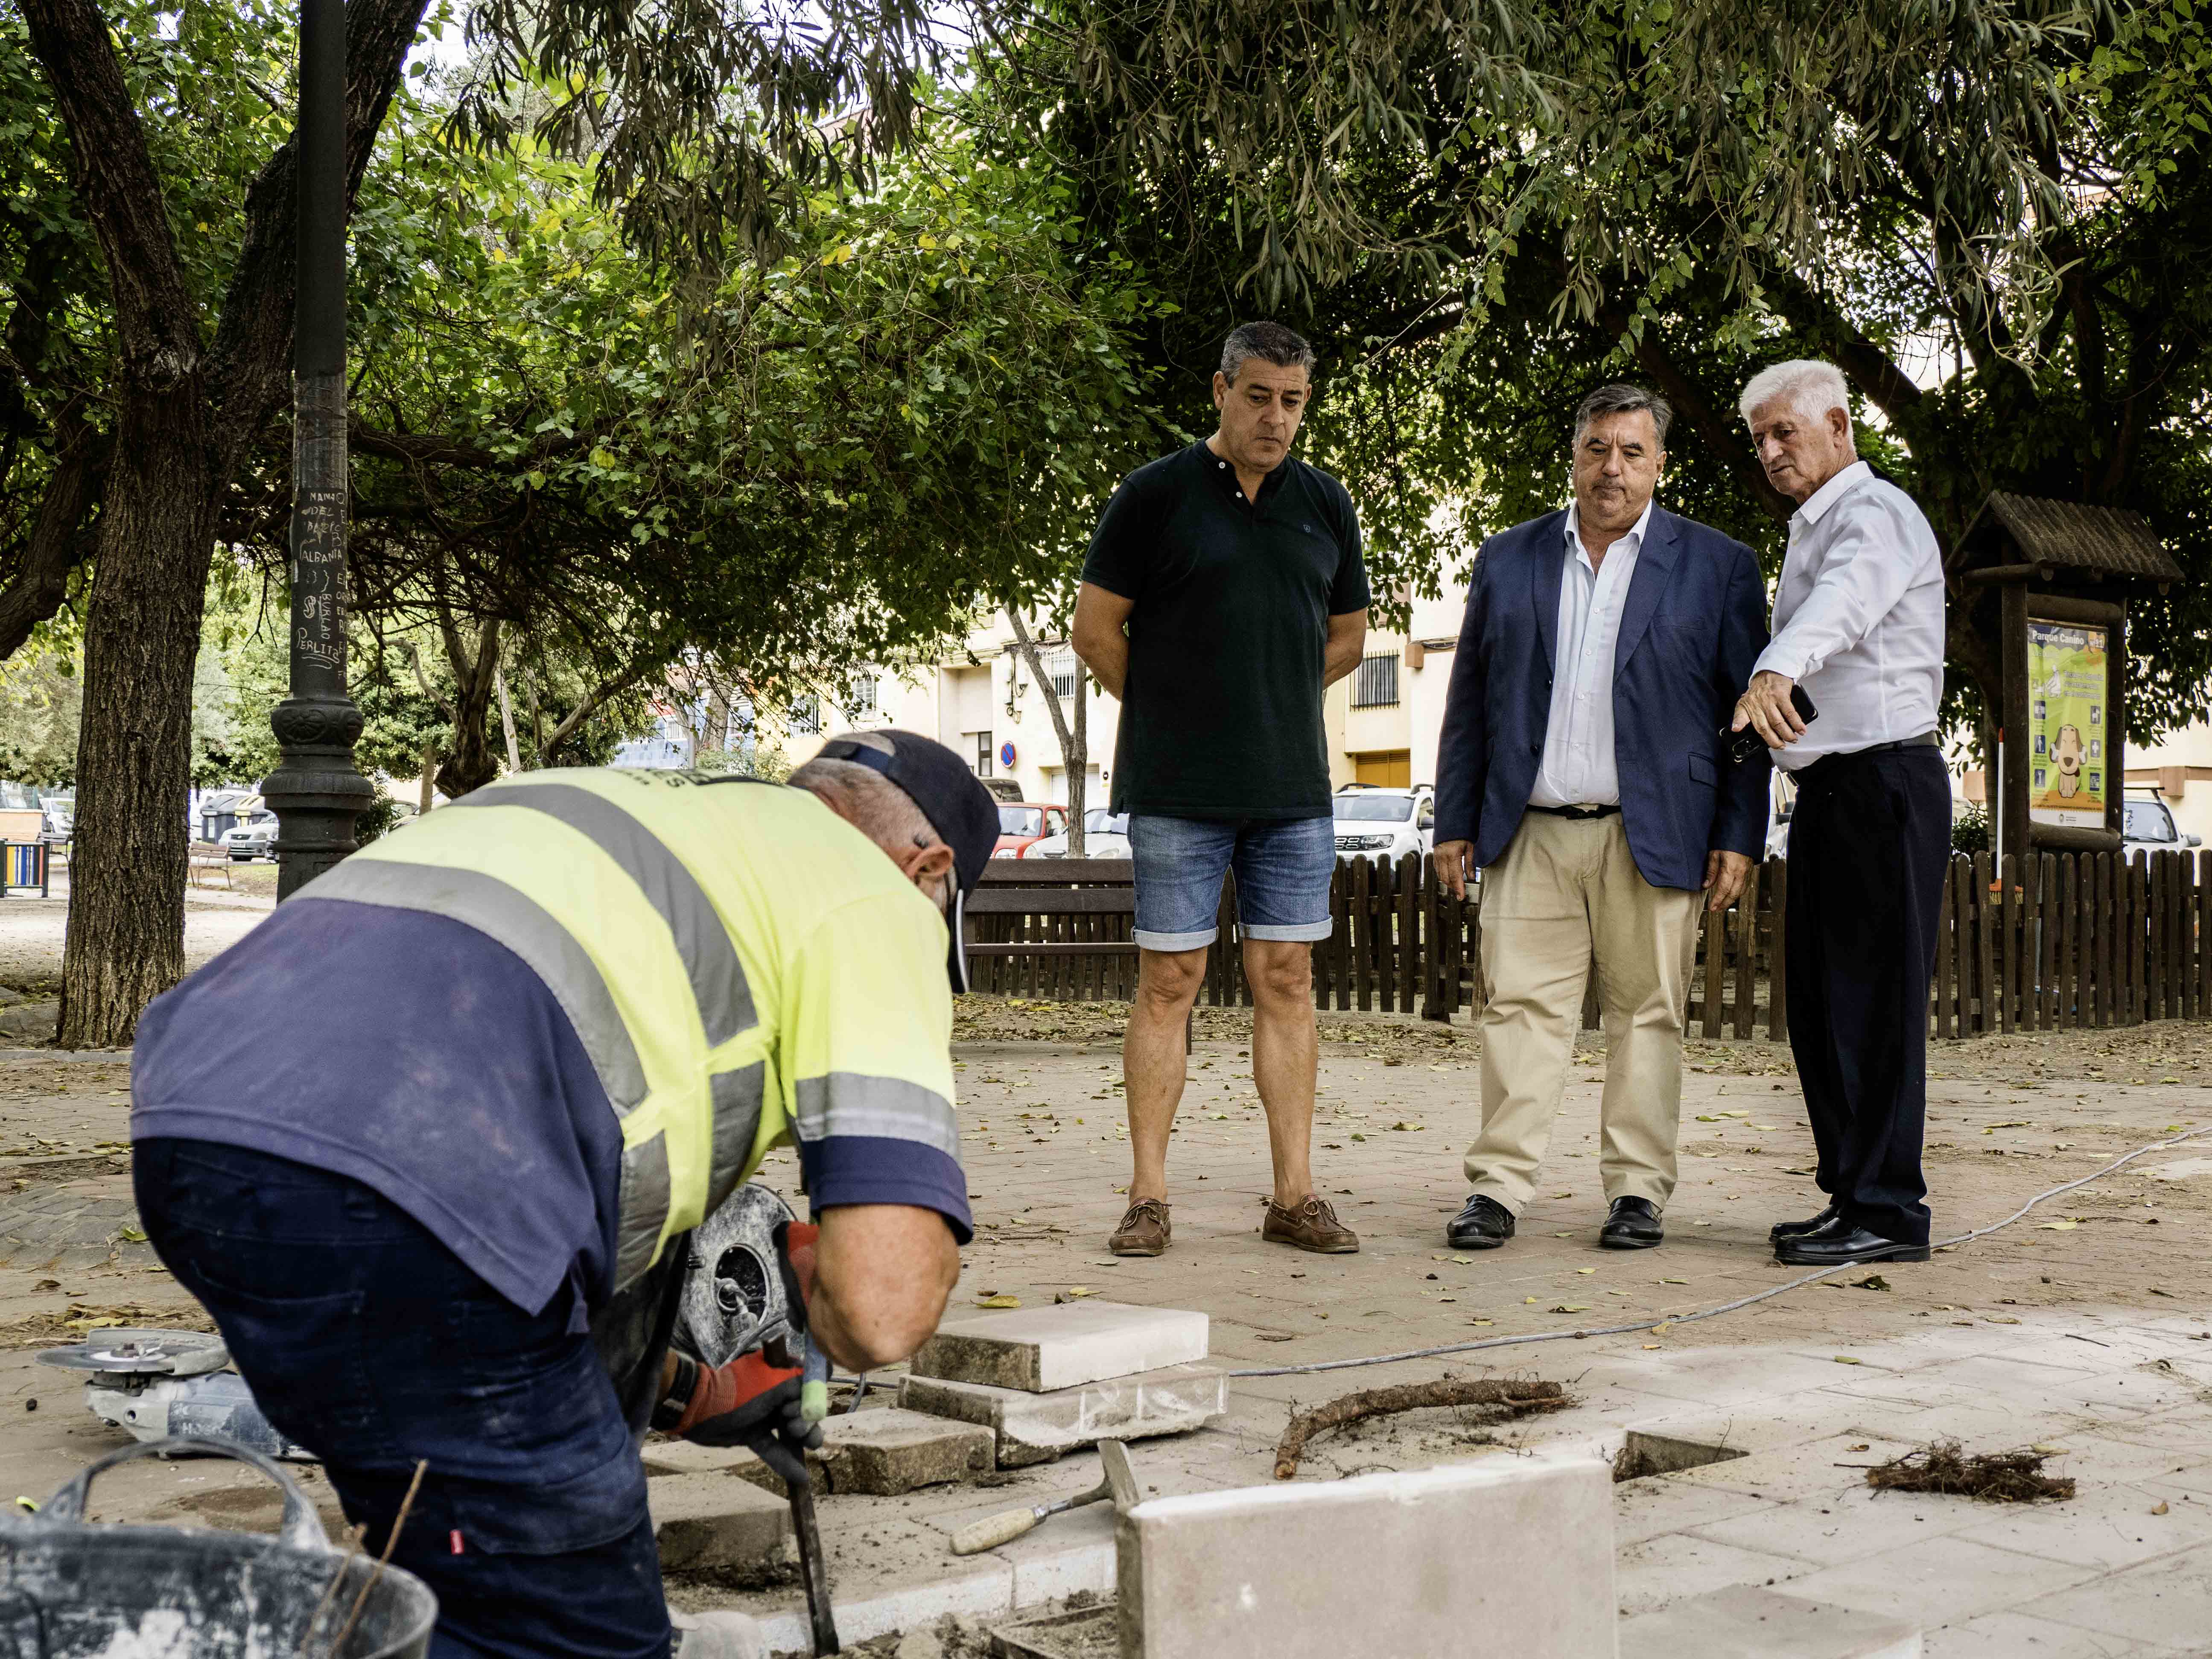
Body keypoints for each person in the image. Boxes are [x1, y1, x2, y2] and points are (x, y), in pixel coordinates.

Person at [130, 732, 997, 1659]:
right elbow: (882, 1305)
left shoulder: (626, 819)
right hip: (418, 1184)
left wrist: (683, 1387)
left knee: (448, 1552)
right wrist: (828, 1298)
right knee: (575, 1628)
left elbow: (557, 1208)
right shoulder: (873, 894)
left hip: (194, 1129)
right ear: (929, 866)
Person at [1431, 384, 1771, 1253]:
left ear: (1658, 462)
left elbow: (1745, 713)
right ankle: (1497, 1188)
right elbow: (1469, 696)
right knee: (1516, 1010)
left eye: (1629, 451)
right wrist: (1453, 821)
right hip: (1528, 827)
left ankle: (1635, 1193)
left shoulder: (1718, 565)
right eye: (1595, 448)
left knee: (1647, 1015)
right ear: (1573, 456)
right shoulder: (1508, 557)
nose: (1610, 466)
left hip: (1653, 830)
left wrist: (1738, 832)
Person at [1071, 321, 1369, 1258]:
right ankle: (1148, 1197)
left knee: (1286, 978)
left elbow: (1349, 636)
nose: (1274, 416)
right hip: (1176, 789)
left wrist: (1265, 697)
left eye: (1291, 400)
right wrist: (1175, 713)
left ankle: (1293, 1195)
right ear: (1219, 391)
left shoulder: (1325, 502)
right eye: (1257, 396)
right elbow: (1093, 630)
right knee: (1170, 980)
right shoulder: (1151, 496)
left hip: (1291, 789)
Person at [1732, 359, 1947, 1269]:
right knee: (1821, 1007)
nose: (1773, 451)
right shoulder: (1810, 526)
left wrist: (1776, 667)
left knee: (1874, 1002)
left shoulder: (1873, 514)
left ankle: (1890, 1211)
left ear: (1837, 424)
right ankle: (1849, 1195)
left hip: (1883, 785)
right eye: (1760, 440)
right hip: (1827, 792)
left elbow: (1845, 606)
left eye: (1787, 431)